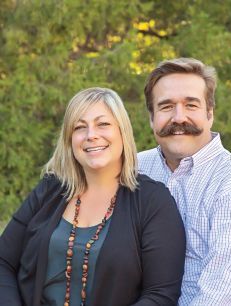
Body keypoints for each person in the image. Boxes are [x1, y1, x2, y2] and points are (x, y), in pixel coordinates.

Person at [0, 87, 186, 306]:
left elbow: (160, 295)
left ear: (122, 131)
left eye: (103, 124)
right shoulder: (50, 189)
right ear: (69, 139)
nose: (91, 135)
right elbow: (4, 261)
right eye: (80, 127)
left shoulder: (153, 201)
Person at [138, 58, 231, 306]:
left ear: (210, 113)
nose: (178, 117)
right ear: (152, 118)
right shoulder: (137, 169)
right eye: (166, 106)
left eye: (191, 105)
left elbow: (228, 294)